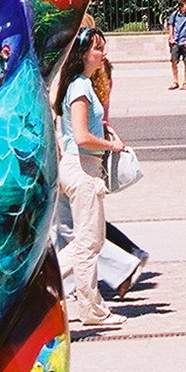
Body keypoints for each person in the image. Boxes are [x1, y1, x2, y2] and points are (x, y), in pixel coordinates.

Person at [54, 27, 125, 330]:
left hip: (84, 167)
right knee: (86, 242)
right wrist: (112, 145)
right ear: (83, 54)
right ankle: (91, 309)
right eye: (97, 48)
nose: (103, 52)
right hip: (82, 167)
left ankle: (42, 282)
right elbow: (81, 137)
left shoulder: (82, 84)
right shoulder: (80, 87)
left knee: (92, 240)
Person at [164, 0, 186, 89]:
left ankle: (185, 83)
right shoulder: (175, 15)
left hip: (185, 41)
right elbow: (171, 25)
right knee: (174, 61)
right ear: (181, 7)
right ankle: (175, 81)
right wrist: (171, 37)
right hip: (176, 41)